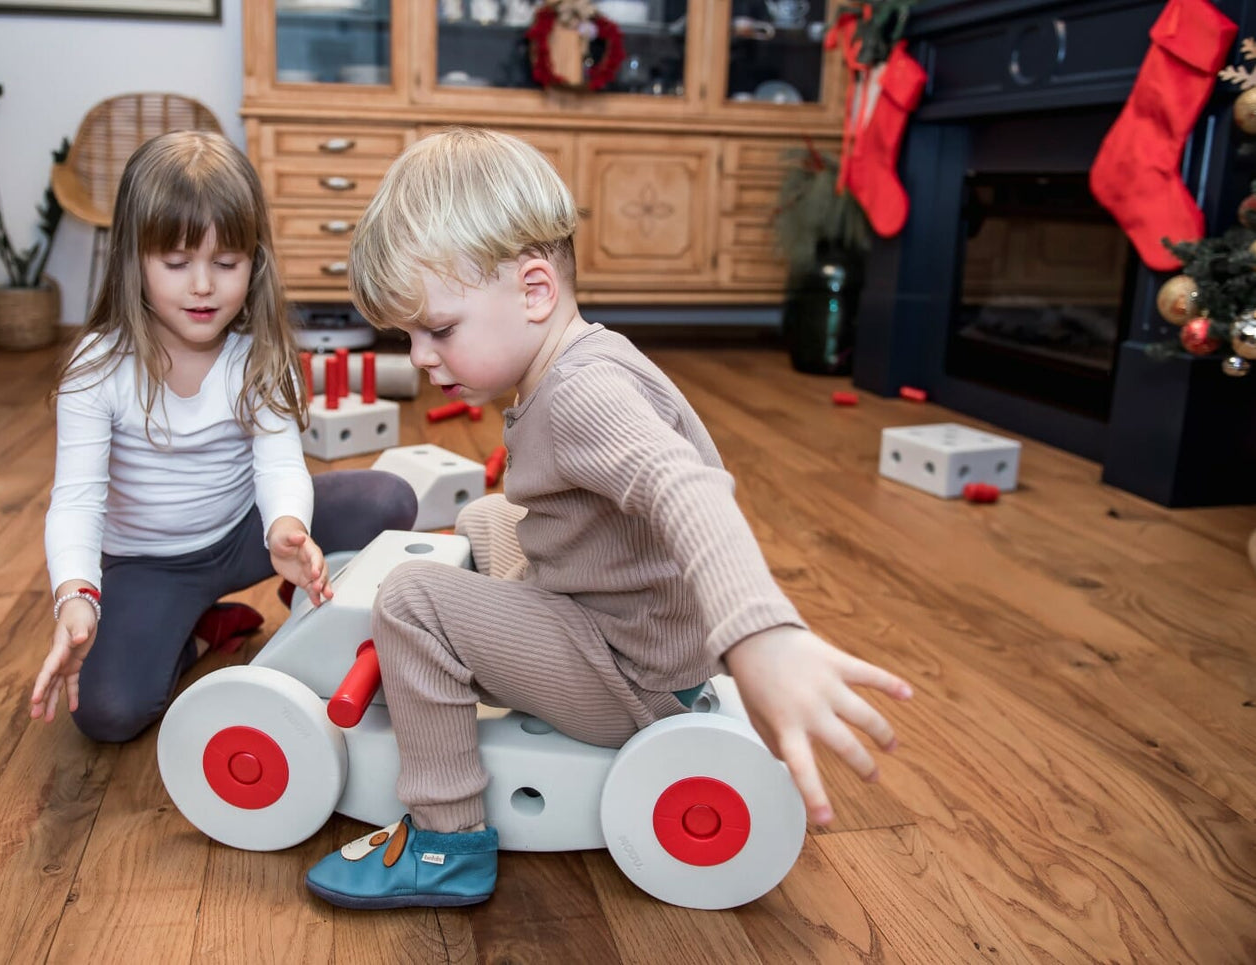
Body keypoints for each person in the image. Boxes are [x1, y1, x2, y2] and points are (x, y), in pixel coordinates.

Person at [303, 128, 913, 910]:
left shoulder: (582, 396)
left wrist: (763, 636)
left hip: (624, 671)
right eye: (409, 337)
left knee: (411, 600)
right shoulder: (582, 354)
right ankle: (457, 654)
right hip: (638, 627)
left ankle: (443, 840)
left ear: (532, 291)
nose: (420, 357)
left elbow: (688, 492)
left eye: (439, 330)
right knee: (492, 516)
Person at [29, 131, 416, 743]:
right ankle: (205, 631)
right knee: (106, 713)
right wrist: (77, 596)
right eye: (177, 264)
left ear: (254, 262)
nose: (203, 286)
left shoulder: (258, 354)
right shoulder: (96, 367)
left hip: (245, 535)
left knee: (389, 500)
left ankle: (300, 605)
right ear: (134, 260)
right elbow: (76, 499)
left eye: (226, 263)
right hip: (148, 565)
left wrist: (285, 526)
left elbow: (280, 460)